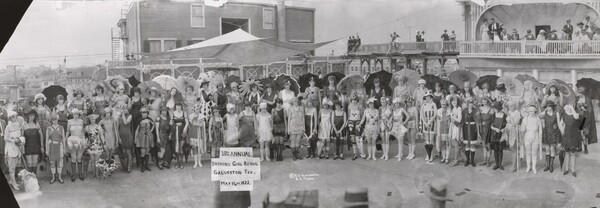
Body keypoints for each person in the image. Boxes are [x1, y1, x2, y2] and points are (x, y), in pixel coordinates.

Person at [520, 105, 542, 174]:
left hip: (535, 137)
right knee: (528, 153)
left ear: (535, 111)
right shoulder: (525, 119)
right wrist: (520, 129)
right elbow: (522, 129)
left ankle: (534, 167)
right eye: (529, 111)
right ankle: (528, 166)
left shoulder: (537, 119)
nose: (530, 112)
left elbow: (540, 129)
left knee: (534, 153)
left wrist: (540, 139)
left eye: (532, 111)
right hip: (527, 137)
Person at [540, 101, 562, 173]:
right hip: (546, 133)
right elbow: (537, 115)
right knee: (547, 149)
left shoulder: (556, 114)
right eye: (547, 106)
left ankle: (551, 165)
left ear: (552, 107)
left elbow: (558, 124)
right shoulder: (544, 113)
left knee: (552, 149)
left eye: (549, 106)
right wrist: (543, 114)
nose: (548, 108)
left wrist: (561, 132)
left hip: (554, 133)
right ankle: (547, 165)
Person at [4, 110, 23, 190]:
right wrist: (13, 141)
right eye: (13, 117)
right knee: (11, 168)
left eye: (15, 116)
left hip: (17, 148)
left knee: (15, 166)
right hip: (10, 148)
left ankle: (12, 181)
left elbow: (20, 135)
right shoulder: (8, 127)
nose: (15, 118)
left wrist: (20, 141)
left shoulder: (18, 125)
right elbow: (6, 138)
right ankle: (13, 183)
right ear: (10, 118)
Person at [22, 110, 43, 175]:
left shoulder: (36, 124)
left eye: (33, 116)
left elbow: (41, 135)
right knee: (29, 163)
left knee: (35, 163)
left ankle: (34, 178)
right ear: (28, 116)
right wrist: (22, 147)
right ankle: (29, 179)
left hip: (36, 146)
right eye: (31, 116)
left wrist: (42, 146)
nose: (32, 117)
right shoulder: (24, 124)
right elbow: (22, 137)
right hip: (27, 146)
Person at [66, 108, 85, 181]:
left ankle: (80, 173)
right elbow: (68, 131)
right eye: (74, 114)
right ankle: (73, 174)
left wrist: (83, 139)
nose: (76, 115)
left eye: (77, 114)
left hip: (80, 139)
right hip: (72, 139)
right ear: (72, 114)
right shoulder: (69, 121)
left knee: (79, 157)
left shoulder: (81, 121)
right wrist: (65, 139)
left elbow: (82, 131)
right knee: (73, 158)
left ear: (78, 115)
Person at [46, 113, 65, 184]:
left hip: (59, 146)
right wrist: (47, 150)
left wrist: (64, 148)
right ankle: (53, 177)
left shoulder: (61, 127)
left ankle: (59, 176)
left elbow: (63, 138)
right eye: (53, 120)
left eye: (56, 119)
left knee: (60, 162)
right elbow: (47, 139)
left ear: (58, 119)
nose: (55, 121)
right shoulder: (49, 128)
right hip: (51, 146)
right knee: (52, 162)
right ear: (51, 120)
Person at [489, 102, 507, 170]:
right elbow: (490, 125)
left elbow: (507, 124)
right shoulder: (493, 115)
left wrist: (503, 129)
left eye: (495, 108)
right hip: (494, 134)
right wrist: (495, 129)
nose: (494, 109)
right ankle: (496, 164)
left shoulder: (504, 115)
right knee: (495, 149)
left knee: (500, 149)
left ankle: (500, 164)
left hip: (501, 134)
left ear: (499, 108)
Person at [187, 103, 207, 168]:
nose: (197, 110)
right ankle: (195, 162)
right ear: (194, 109)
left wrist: (200, 124)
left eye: (198, 109)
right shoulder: (191, 116)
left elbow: (203, 124)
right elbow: (191, 124)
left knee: (199, 147)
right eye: (196, 109)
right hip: (194, 133)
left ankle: (199, 162)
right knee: (195, 147)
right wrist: (196, 123)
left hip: (200, 133)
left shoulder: (202, 116)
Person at [85, 113, 104, 179]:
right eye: (91, 118)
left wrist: (104, 143)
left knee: (97, 160)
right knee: (92, 160)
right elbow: (86, 136)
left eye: (93, 118)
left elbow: (101, 136)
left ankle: (97, 174)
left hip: (98, 145)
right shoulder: (87, 127)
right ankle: (93, 173)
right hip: (90, 146)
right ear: (89, 119)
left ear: (95, 119)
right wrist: (85, 143)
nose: (92, 120)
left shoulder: (99, 127)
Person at [505, 101, 522, 172]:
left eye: (512, 106)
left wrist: (510, 116)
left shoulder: (517, 113)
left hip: (513, 131)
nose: (510, 108)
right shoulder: (509, 111)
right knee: (511, 148)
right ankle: (517, 162)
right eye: (509, 106)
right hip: (508, 130)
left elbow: (515, 123)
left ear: (515, 106)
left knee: (514, 149)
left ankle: (514, 166)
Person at [421, 92, 437, 164]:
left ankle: (431, 155)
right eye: (426, 97)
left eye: (429, 97)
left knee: (431, 139)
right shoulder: (423, 105)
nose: (427, 98)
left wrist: (430, 121)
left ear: (431, 97)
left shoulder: (433, 104)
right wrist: (424, 122)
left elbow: (435, 114)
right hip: (425, 123)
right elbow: (421, 115)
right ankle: (428, 154)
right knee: (427, 139)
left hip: (432, 122)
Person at [347, 93, 364, 160]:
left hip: (357, 122)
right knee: (353, 138)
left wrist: (361, 124)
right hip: (351, 122)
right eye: (352, 100)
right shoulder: (349, 106)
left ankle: (362, 153)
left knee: (358, 138)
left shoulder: (360, 106)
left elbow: (362, 115)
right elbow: (349, 115)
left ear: (357, 99)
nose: (354, 101)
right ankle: (355, 153)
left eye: (355, 99)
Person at [391, 97, 409, 161]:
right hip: (395, 127)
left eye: (398, 103)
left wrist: (404, 123)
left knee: (400, 141)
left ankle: (400, 155)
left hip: (400, 127)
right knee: (398, 141)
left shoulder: (402, 109)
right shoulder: (394, 110)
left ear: (399, 104)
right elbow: (393, 118)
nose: (396, 105)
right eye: (395, 104)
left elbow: (408, 116)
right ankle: (400, 153)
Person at [477, 97, 494, 167]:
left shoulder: (491, 109)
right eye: (482, 100)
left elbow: (493, 121)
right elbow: (478, 121)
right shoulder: (480, 109)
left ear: (487, 101)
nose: (483, 101)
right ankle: (484, 160)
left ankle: (488, 161)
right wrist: (478, 131)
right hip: (482, 129)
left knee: (488, 145)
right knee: (484, 145)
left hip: (489, 129)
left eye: (485, 100)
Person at [462, 99, 479, 167]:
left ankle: (472, 161)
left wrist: (477, 131)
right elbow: (462, 121)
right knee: (466, 145)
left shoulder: (476, 111)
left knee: (472, 145)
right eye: (469, 103)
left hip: (473, 128)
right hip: (466, 128)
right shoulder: (464, 111)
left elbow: (477, 121)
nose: (471, 104)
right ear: (467, 104)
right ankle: (467, 160)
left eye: (472, 103)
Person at [170, 103, 187, 169]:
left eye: (179, 106)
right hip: (175, 132)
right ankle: (177, 162)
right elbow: (171, 123)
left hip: (182, 131)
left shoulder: (184, 113)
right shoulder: (173, 113)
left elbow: (187, 122)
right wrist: (175, 124)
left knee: (181, 146)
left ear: (181, 107)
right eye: (177, 106)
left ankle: (181, 162)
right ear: (175, 107)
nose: (178, 107)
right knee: (176, 147)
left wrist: (185, 128)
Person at [448, 97, 463, 166]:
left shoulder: (459, 108)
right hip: (453, 126)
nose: (454, 102)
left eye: (455, 101)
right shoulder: (452, 109)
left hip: (457, 127)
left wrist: (453, 117)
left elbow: (459, 120)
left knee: (456, 143)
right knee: (454, 143)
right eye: (452, 101)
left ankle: (455, 159)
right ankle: (459, 157)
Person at [118, 108, 133, 173]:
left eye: (126, 109)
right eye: (123, 109)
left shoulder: (130, 116)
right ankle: (125, 167)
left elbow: (125, 122)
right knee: (123, 153)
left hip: (128, 136)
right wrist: (118, 138)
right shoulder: (119, 118)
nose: (124, 110)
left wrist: (123, 115)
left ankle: (129, 167)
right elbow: (117, 128)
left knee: (128, 152)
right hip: (121, 137)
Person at [436, 99, 452, 164]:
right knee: (442, 144)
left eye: (445, 104)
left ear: (446, 105)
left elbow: (450, 121)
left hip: (447, 129)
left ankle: (447, 158)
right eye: (442, 104)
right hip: (441, 129)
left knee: (447, 144)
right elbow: (438, 121)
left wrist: (450, 131)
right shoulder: (438, 111)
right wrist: (438, 131)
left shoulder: (449, 111)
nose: (443, 106)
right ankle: (443, 157)